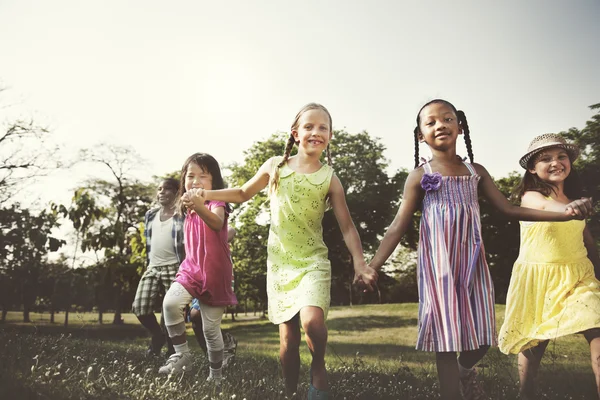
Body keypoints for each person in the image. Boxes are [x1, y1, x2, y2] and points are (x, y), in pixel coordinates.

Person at [367, 99, 593, 400]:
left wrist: (563, 215)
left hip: (473, 263)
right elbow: (398, 225)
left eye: (447, 119)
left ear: (460, 127)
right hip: (439, 267)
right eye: (431, 122)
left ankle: (465, 370)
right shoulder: (420, 176)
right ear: (420, 135)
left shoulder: (477, 171)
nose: (440, 125)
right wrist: (374, 265)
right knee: (445, 343)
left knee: (482, 339)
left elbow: (510, 210)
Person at [198, 103, 378, 399]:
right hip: (281, 264)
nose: (315, 132)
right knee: (288, 342)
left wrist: (360, 263)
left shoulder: (330, 179)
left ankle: (318, 368)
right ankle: (291, 391)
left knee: (311, 321)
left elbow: (347, 227)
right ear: (296, 134)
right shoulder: (275, 167)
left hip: (313, 262)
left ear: (330, 136)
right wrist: (206, 194)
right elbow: (243, 193)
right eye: (309, 126)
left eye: (322, 127)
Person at [498, 133, 600, 399]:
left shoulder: (574, 200)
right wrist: (571, 210)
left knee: (598, 327)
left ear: (570, 162)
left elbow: (587, 242)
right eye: (546, 159)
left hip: (578, 276)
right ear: (533, 168)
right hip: (541, 278)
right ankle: (526, 392)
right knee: (535, 341)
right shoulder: (531, 196)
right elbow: (546, 207)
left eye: (561, 156)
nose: (556, 162)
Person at [158, 153, 238, 389]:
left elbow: (215, 223)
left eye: (203, 176)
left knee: (210, 330)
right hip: (191, 269)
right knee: (170, 304)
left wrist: (200, 205)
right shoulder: (187, 209)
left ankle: (216, 375)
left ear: (214, 183)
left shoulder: (216, 203)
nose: (195, 181)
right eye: (190, 176)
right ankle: (182, 356)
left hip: (215, 274)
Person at [132, 178, 182, 358]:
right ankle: (157, 336)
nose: (161, 192)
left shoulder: (182, 214)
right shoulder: (150, 215)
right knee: (140, 307)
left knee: (171, 312)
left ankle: (171, 351)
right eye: (159, 189)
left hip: (175, 268)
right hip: (153, 267)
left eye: (167, 189)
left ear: (177, 192)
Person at [189, 226, 238, 368]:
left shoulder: (213, 218)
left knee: (197, 315)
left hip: (216, 274)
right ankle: (214, 356)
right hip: (198, 274)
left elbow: (232, 231)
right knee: (196, 319)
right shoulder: (192, 225)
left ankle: (223, 348)